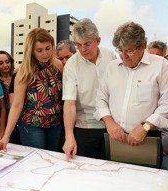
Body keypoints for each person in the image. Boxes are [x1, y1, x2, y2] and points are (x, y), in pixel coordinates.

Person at [94, 21, 168, 169]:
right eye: (120, 50)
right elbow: (101, 98)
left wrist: (145, 127)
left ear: (142, 46)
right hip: (115, 137)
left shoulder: (161, 65)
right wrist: (109, 122)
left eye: (129, 51)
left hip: (146, 138)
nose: (124, 56)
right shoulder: (112, 67)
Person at [0, 28, 63, 152]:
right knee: (36, 162)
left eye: (48, 48)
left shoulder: (58, 65)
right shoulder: (24, 71)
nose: (45, 54)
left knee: (53, 162)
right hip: (32, 127)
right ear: (31, 51)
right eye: (39, 50)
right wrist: (6, 136)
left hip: (55, 126)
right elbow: (16, 105)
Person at [62, 18, 117, 161]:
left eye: (87, 44)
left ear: (98, 40)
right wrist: (69, 136)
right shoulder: (71, 64)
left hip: (114, 124)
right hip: (86, 127)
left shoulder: (110, 55)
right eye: (78, 45)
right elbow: (69, 103)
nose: (83, 50)